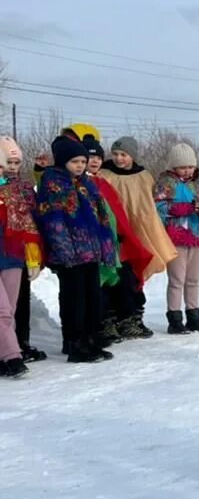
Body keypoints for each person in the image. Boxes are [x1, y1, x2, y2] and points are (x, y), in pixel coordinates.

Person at [33, 135, 116, 363]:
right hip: (68, 254)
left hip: (90, 251)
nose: (80, 166)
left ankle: (90, 338)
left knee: (92, 296)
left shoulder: (86, 184)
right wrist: (65, 250)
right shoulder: (53, 182)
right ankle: (74, 342)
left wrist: (105, 246)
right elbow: (53, 220)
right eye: (75, 162)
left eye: (82, 161)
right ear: (62, 162)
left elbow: (101, 215)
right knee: (74, 299)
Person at [98, 135, 177, 336]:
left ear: (132, 156)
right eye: (115, 154)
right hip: (115, 235)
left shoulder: (143, 176)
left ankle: (134, 318)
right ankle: (114, 320)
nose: (119, 159)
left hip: (138, 233)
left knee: (135, 277)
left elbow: (148, 207)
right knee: (116, 278)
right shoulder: (104, 174)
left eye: (123, 154)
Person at [84, 137, 155, 343]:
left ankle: (128, 318)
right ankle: (108, 322)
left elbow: (120, 209)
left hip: (122, 237)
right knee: (107, 282)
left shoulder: (104, 181)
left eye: (98, 156)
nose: (95, 161)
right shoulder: (96, 179)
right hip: (99, 243)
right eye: (90, 157)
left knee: (127, 277)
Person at [153, 143, 199, 334]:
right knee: (176, 279)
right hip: (176, 237)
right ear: (173, 167)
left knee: (193, 279)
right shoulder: (165, 183)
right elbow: (159, 207)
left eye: (190, 166)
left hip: (196, 236)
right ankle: (174, 318)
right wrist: (183, 208)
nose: (187, 170)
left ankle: (194, 315)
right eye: (182, 167)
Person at [0, 136, 46, 363]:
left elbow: (32, 220)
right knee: (5, 306)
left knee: (20, 300)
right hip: (5, 250)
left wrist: (34, 255)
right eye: (8, 162)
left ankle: (21, 342)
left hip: (20, 252)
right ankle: (9, 348)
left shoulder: (25, 187)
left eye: (16, 163)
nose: (12, 167)